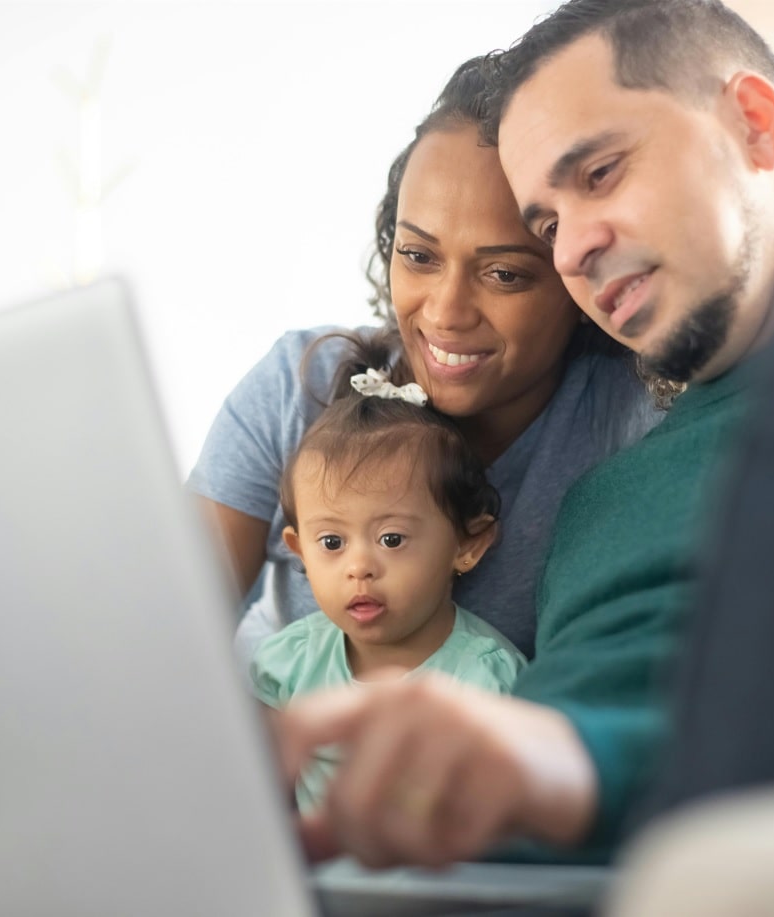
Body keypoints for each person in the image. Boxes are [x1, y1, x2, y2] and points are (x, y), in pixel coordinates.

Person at [276, 0, 774, 869]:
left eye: (601, 172)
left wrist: (547, 764)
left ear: (752, 124)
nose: (576, 250)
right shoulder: (611, 496)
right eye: (550, 224)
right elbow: (595, 706)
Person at [187, 56, 664, 664]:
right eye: (418, 256)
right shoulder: (295, 388)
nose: (445, 312)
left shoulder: (631, 427)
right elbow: (162, 635)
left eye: (504, 273)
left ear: (580, 276)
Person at [251, 330, 527, 812]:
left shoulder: (486, 679)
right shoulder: (288, 664)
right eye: (332, 543)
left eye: (392, 540)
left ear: (467, 544)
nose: (359, 568)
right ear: (299, 550)